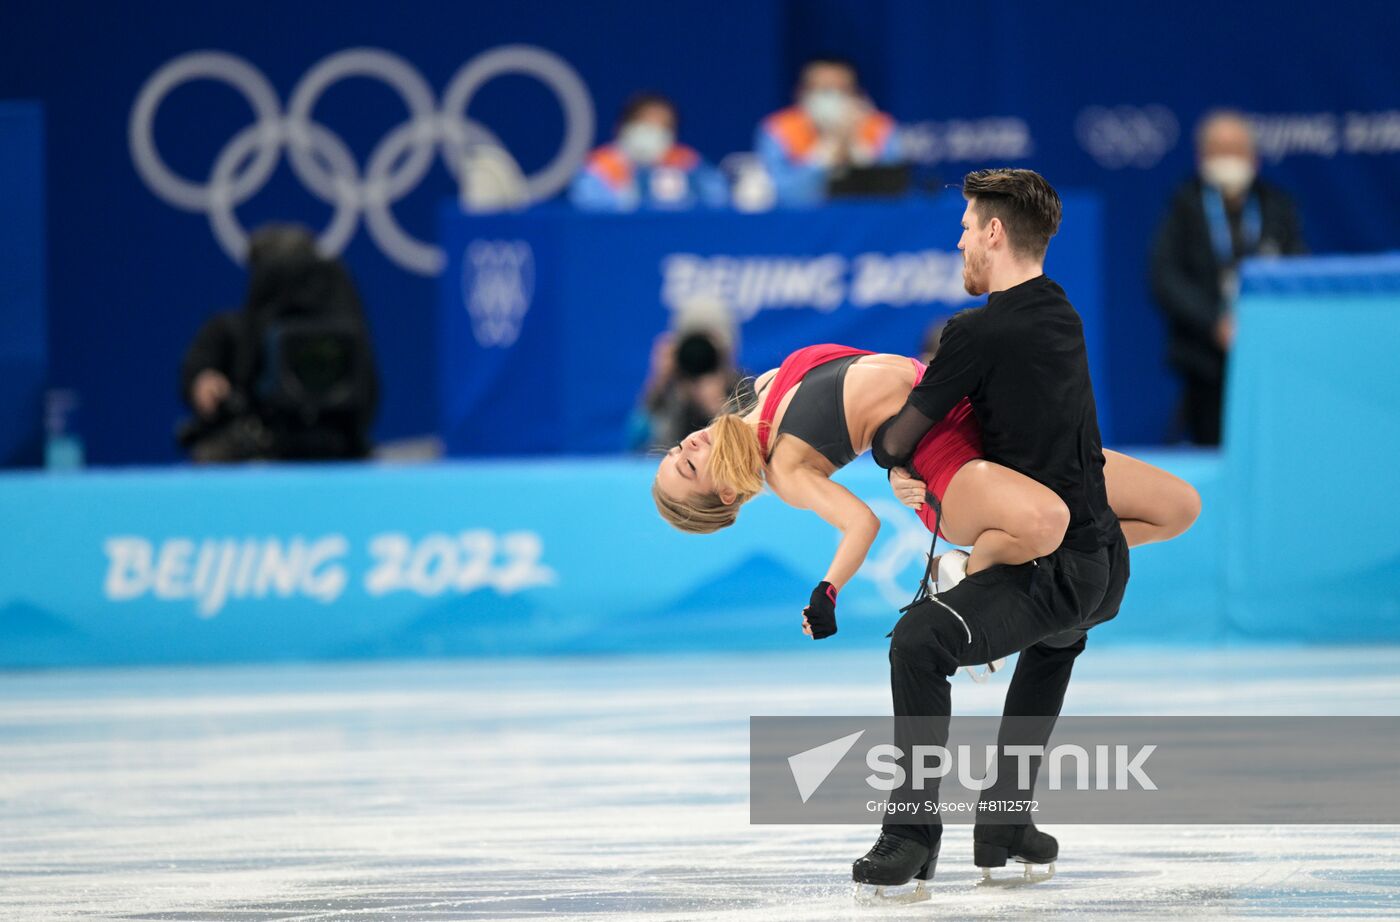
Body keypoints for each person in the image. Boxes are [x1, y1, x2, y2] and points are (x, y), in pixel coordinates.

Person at [828, 168, 1130, 897]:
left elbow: (900, 437)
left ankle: (910, 835)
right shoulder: (1062, 312)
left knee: (919, 643)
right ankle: (1002, 822)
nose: (961, 240)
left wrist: (898, 462)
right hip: (1102, 564)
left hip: (1053, 566)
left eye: (966, 228)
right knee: (1056, 640)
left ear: (995, 234)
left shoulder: (976, 332)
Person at [1151, 110, 1306, 445]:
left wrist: (1259, 323)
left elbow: (1297, 274)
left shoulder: (1277, 206)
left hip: (1269, 354)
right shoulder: (1184, 206)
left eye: (1235, 150)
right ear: (1201, 157)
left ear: (1254, 158)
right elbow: (1165, 277)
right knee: (1213, 450)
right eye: (1218, 150)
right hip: (1205, 359)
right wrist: (1214, 323)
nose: (1227, 159)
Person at [179, 224, 378, 462]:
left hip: (341, 451)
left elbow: (367, 395)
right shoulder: (230, 332)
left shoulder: (343, 339)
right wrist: (203, 380)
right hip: (256, 448)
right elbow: (200, 371)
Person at [755, 57, 900, 207]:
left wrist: (856, 147)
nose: (833, 98)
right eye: (823, 90)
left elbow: (893, 192)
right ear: (801, 93)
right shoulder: (778, 129)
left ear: (859, 95)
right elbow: (780, 195)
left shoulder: (880, 127)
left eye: (842, 90)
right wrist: (826, 152)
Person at [570, 92, 726, 212]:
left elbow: (718, 197)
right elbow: (590, 212)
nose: (653, 132)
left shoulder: (685, 160)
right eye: (645, 123)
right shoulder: (601, 164)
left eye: (663, 127)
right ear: (622, 126)